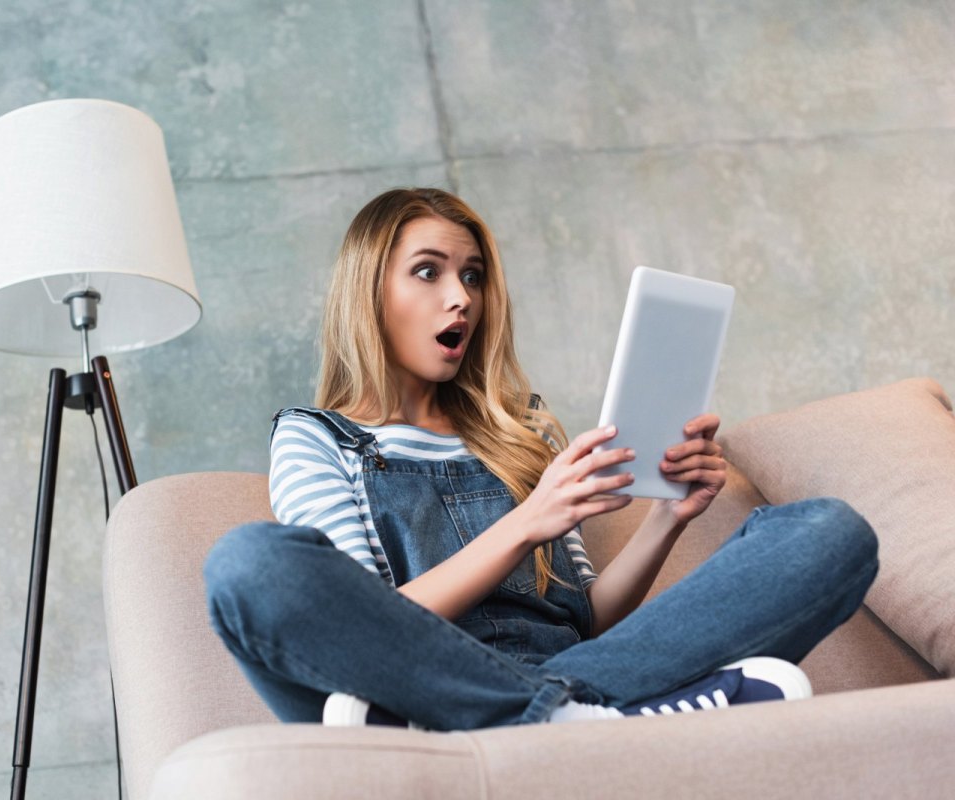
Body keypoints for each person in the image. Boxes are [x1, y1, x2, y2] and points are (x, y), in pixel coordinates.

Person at [204, 187, 880, 730]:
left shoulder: (522, 429)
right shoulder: (318, 437)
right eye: (428, 271)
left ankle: (554, 719)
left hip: (579, 669)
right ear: (368, 292)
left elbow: (586, 622)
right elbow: (368, 624)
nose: (461, 296)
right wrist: (528, 521)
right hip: (413, 681)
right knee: (249, 565)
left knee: (830, 535)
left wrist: (667, 520)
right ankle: (588, 720)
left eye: (473, 275)